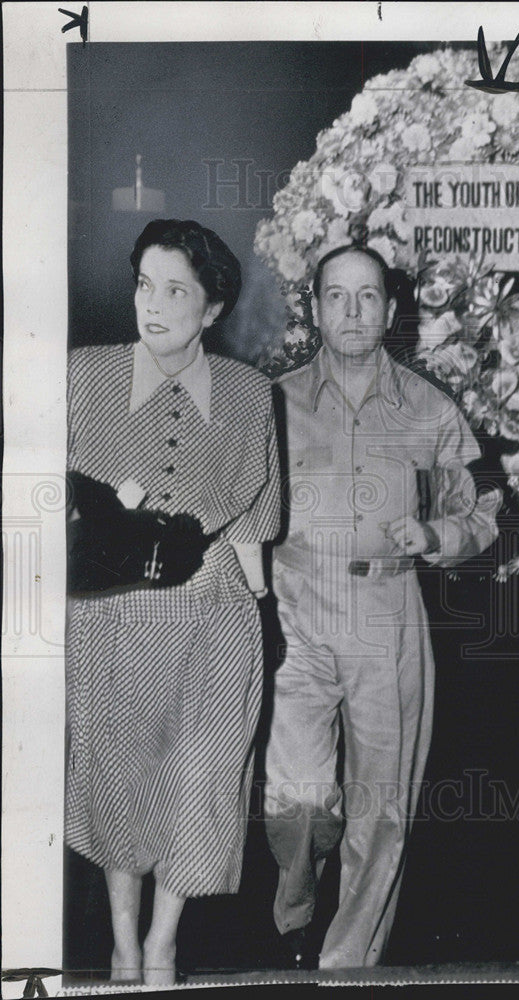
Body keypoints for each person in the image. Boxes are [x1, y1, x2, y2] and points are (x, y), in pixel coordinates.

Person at [264, 244, 501, 969]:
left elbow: (485, 509)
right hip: (298, 607)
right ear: (314, 308)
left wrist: (437, 533)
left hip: (389, 607)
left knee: (382, 807)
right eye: (336, 296)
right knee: (301, 800)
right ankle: (298, 893)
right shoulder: (272, 402)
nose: (352, 313)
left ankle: (347, 967)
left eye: (368, 298)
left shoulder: (430, 408)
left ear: (391, 311)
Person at [65, 219, 281, 986]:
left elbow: (255, 527)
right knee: (121, 777)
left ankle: (163, 946)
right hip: (113, 615)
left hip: (214, 612)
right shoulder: (80, 376)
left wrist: (264, 623)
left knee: (202, 779)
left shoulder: (252, 395)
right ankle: (123, 944)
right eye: (143, 285)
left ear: (213, 307)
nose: (152, 305)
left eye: (176, 290)